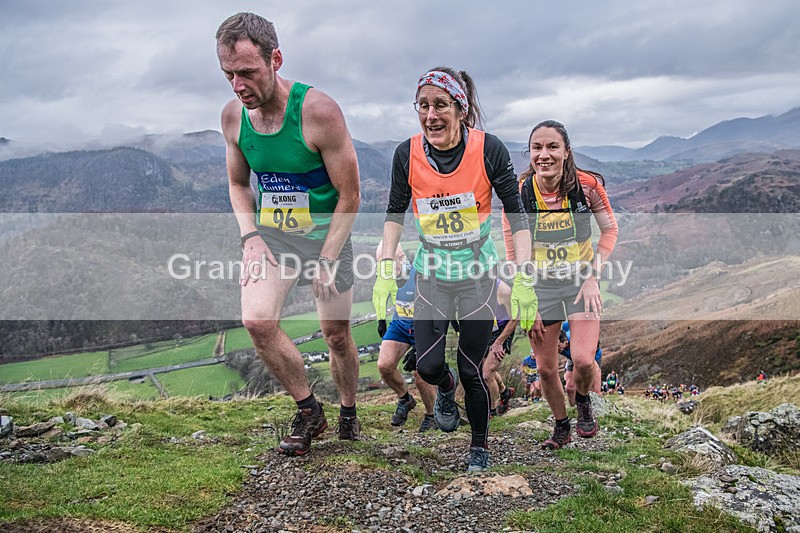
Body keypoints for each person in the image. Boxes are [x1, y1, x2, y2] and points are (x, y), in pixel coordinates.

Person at [373, 67, 538, 472]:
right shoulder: (405, 154)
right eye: (423, 106)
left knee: (471, 367)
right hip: (431, 273)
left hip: (477, 276)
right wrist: (383, 267)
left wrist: (524, 277)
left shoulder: (488, 149)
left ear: (460, 109)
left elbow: (517, 217)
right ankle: (444, 391)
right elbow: (395, 213)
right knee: (428, 367)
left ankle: (479, 447)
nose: (431, 115)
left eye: (440, 105)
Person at [217, 13, 361, 456]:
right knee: (257, 321)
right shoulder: (233, 118)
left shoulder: (318, 111)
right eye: (228, 75)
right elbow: (239, 184)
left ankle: (349, 411)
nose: (238, 86)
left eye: (247, 73)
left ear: (275, 59)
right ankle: (307, 410)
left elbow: (350, 194)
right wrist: (250, 237)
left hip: (327, 236)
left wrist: (328, 256)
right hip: (274, 238)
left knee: (335, 334)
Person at [504, 120, 618, 450]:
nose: (544, 154)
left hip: (582, 284)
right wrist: (527, 296)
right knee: (545, 368)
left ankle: (582, 399)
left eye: (552, 147)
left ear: (567, 151)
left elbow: (609, 231)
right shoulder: (520, 193)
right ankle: (560, 426)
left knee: (583, 360)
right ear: (530, 154)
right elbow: (513, 250)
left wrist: (594, 277)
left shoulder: (587, 186)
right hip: (541, 288)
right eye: (537, 148)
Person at [374, 241, 437, 432]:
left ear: (401, 259)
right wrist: (381, 319)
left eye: (389, 262)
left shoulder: (418, 275)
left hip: (424, 326)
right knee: (384, 365)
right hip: (400, 325)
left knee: (421, 375)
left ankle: (432, 415)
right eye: (381, 263)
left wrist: (419, 347)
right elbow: (379, 295)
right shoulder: (386, 276)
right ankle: (405, 399)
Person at [484, 279, 517, 416]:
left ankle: (492, 411)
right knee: (483, 368)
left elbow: (515, 318)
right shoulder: (470, 286)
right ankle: (505, 392)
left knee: (486, 374)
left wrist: (499, 342)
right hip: (484, 330)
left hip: (501, 331)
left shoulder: (503, 290)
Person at [560, 321, 602, 406]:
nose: (557, 350)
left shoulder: (576, 341)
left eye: (558, 347)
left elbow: (597, 371)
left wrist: (598, 392)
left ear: (565, 340)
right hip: (572, 358)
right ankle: (574, 409)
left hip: (590, 356)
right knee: (569, 387)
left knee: (591, 387)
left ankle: (593, 408)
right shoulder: (564, 328)